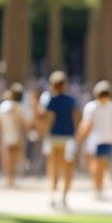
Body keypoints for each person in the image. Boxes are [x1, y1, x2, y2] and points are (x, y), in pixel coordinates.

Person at [76, 79, 112, 199]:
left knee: (100, 165)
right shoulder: (92, 107)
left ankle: (98, 188)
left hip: (106, 140)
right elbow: (87, 125)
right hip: (94, 140)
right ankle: (97, 186)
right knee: (95, 165)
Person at [38, 70, 80, 210]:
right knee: (67, 168)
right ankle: (64, 198)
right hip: (68, 137)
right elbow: (76, 118)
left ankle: (53, 195)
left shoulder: (51, 100)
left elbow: (49, 119)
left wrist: (44, 134)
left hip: (54, 137)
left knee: (53, 168)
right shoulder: (71, 100)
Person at [0, 83, 28, 188]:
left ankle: (8, 179)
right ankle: (12, 179)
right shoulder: (20, 107)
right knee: (14, 158)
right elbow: (24, 123)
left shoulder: (4, 105)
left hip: (6, 134)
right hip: (16, 135)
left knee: (8, 158)